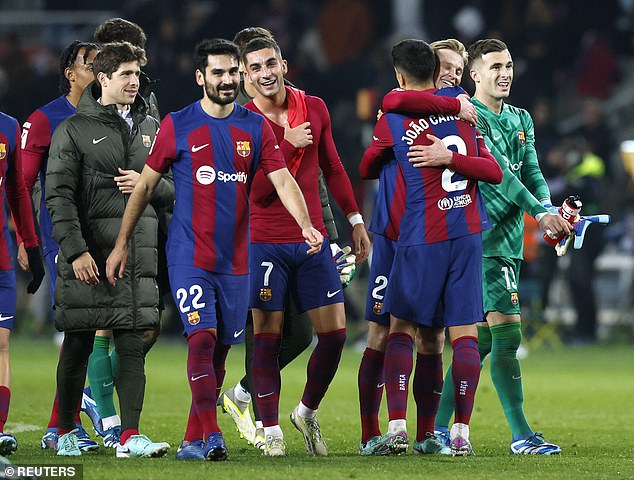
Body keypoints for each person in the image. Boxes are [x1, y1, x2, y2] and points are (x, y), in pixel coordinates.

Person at [106, 38, 322, 462]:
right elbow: (146, 186)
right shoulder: (177, 125)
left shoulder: (255, 128)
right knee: (201, 340)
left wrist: (307, 225)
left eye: (231, 72)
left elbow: (282, 181)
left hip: (237, 260)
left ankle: (192, 441)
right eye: (217, 73)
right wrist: (121, 244)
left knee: (221, 348)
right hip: (190, 256)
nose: (226, 80)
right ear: (200, 77)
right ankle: (212, 434)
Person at [390, 38, 570, 455]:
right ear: (475, 74)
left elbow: (532, 171)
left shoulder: (521, 117)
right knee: (508, 336)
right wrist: (540, 215)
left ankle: (435, 427)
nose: (505, 73)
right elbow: (502, 176)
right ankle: (521, 434)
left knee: (485, 341)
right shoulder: (470, 118)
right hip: (481, 237)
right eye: (495, 67)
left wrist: (546, 208)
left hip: (509, 242)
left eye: (509, 65)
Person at [360, 38, 503, 456]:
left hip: (421, 233)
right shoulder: (465, 112)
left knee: (400, 329)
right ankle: (459, 434)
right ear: (438, 70)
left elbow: (368, 164)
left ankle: (399, 428)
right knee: (462, 336)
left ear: (402, 76)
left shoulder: (396, 114)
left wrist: (436, 157)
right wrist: (453, 147)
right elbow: (492, 171)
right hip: (468, 231)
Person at [217, 26, 355, 450]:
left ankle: (306, 413)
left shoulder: (313, 107)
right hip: (263, 240)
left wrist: (355, 220)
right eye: (254, 67)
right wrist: (287, 145)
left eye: (270, 63)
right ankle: (270, 431)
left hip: (311, 237)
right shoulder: (241, 122)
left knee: (333, 335)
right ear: (243, 75)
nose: (264, 73)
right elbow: (252, 192)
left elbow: (332, 167)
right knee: (269, 336)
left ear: (284, 65)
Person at [45, 41, 172, 458]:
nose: (135, 81)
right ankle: (66, 431)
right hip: (90, 257)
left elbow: (177, 188)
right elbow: (58, 197)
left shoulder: (152, 129)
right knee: (79, 342)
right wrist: (77, 251)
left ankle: (129, 436)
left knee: (133, 344)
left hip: (138, 256)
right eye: (125, 74)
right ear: (102, 79)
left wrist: (147, 185)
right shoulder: (74, 129)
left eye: (137, 74)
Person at [86, 17, 168, 449]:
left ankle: (93, 390)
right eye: (127, 62)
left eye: (139, 60)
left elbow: (161, 171)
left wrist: (149, 184)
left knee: (147, 326)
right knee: (103, 326)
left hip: (148, 230)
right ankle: (108, 418)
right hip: (101, 229)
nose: (136, 71)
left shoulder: (147, 106)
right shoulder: (84, 108)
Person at [20, 40, 104, 453]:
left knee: (100, 333)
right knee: (78, 331)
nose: (98, 70)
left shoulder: (109, 117)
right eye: (91, 64)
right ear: (71, 73)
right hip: (62, 241)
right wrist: (26, 239)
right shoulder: (44, 120)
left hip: (105, 240)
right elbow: (19, 184)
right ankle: (61, 426)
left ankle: (76, 412)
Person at [0, 111, 45, 456]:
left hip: (0, 257)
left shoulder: (8, 126)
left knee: (1, 345)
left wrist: (31, 244)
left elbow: (16, 190)